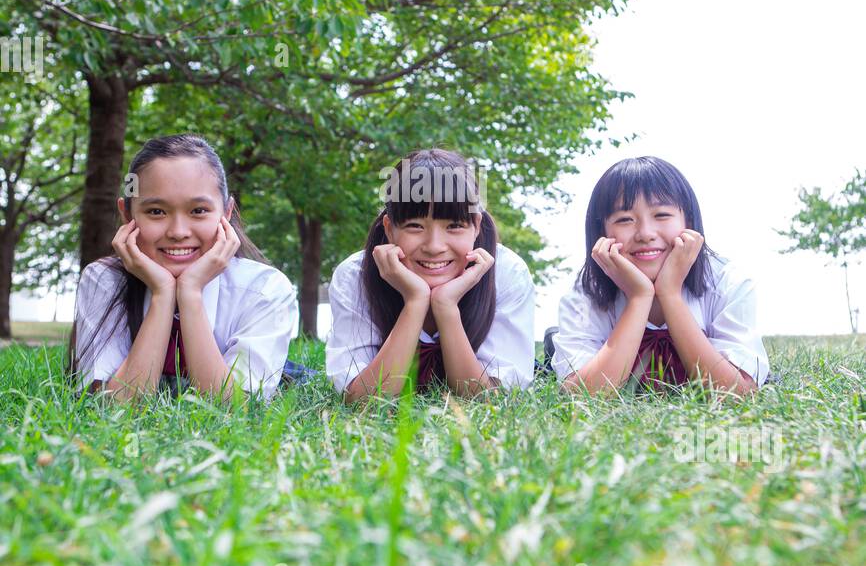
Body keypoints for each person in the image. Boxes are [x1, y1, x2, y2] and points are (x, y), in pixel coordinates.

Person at [68, 134, 298, 401]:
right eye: (156, 211)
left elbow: (231, 409)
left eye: (198, 210)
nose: (178, 232)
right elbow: (116, 406)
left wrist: (190, 292)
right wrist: (162, 293)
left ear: (226, 213)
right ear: (127, 215)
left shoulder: (264, 288)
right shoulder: (103, 280)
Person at [326, 147, 536, 400]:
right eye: (415, 226)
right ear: (390, 229)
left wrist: (445, 306)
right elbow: (362, 400)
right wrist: (415, 302)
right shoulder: (355, 276)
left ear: (476, 226)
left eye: (454, 226)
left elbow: (489, 401)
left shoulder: (506, 273)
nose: (434, 246)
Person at [550, 156, 770, 396]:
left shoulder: (727, 282)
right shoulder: (586, 292)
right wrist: (639, 298)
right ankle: (555, 342)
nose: (645, 233)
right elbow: (583, 396)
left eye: (662, 215)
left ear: (689, 221)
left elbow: (738, 394)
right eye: (625, 219)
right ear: (600, 232)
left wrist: (670, 294)